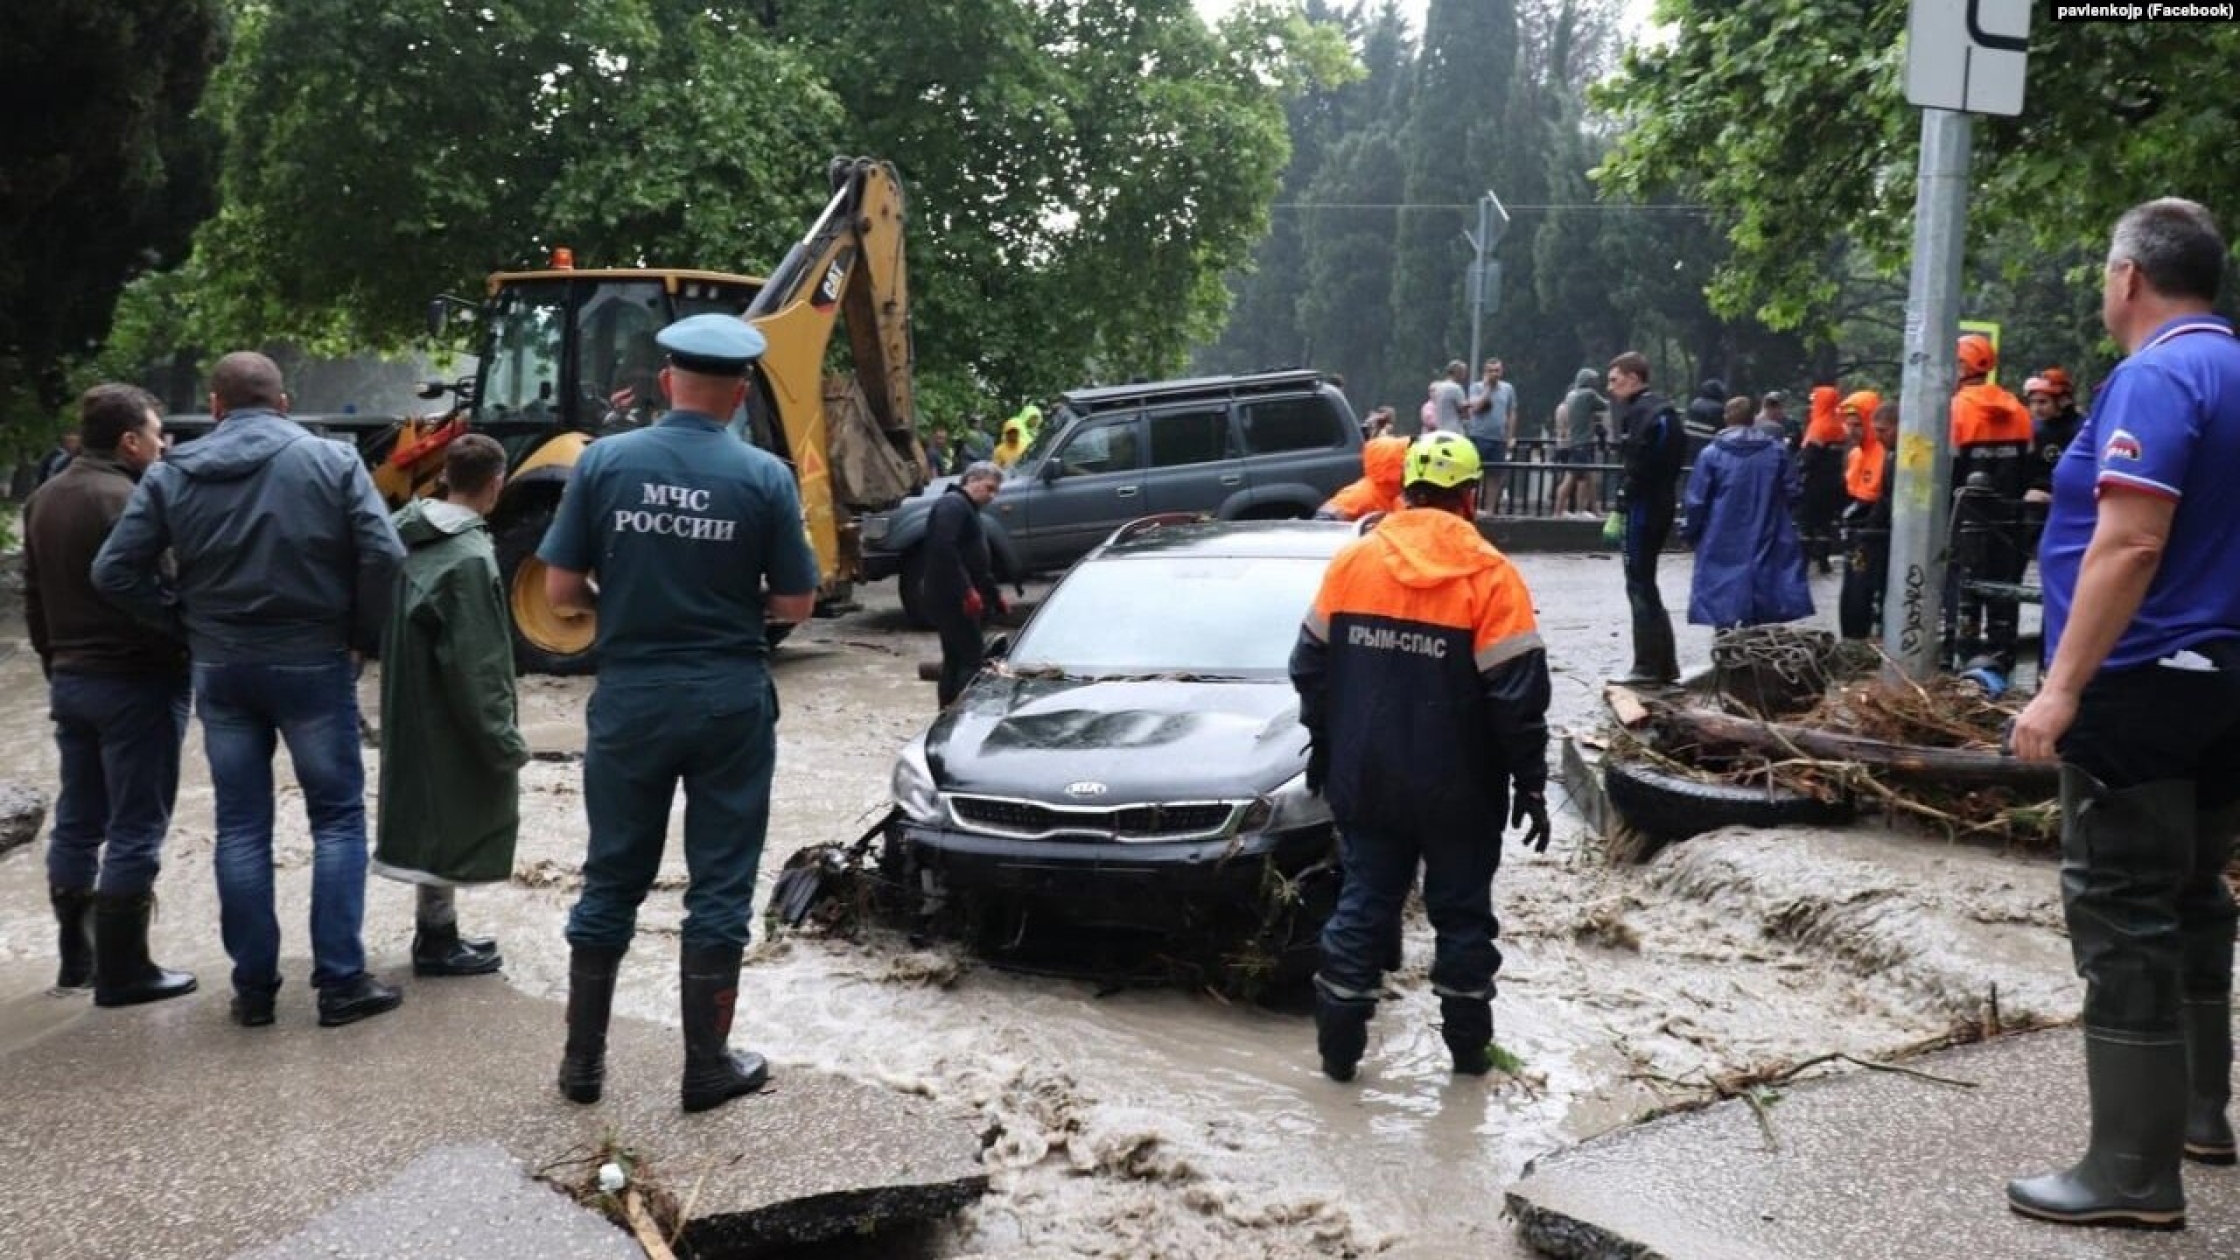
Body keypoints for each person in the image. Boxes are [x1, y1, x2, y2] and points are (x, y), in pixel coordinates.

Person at [2005, 197, 2240, 1231]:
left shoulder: (2158, 372)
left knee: (2120, 909)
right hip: (2224, 676)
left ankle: (2130, 1175)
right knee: (2194, 889)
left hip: (2141, 678)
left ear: (2126, 278)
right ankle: (2200, 1114)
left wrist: (2057, 688)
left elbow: (2129, 542)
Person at [539, 313, 819, 1114]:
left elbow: (560, 594)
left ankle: (582, 1068)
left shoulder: (604, 463)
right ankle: (705, 1068)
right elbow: (795, 600)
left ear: (667, 383)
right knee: (720, 883)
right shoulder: (765, 476)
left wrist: (628, 604)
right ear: (738, 393)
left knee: (611, 878)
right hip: (728, 695)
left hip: (630, 695)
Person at [92, 352, 407, 1029]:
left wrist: (182, 621)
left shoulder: (173, 472)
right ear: (285, 403)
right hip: (314, 661)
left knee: (240, 828)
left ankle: (255, 990)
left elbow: (114, 571)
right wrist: (360, 634)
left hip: (222, 667)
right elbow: (385, 554)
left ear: (214, 407)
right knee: (338, 820)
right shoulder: (332, 462)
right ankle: (340, 984)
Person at [1289, 432, 1550, 1083]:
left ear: (1405, 487)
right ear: (1472, 494)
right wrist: (1532, 784)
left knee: (1364, 902)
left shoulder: (1355, 563)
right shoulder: (1491, 576)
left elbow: (1308, 668)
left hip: (1367, 780)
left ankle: (1339, 1058)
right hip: (1462, 792)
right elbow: (1518, 700)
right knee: (1462, 917)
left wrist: (1324, 746)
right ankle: (1467, 1063)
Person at [23, 385, 195, 1007]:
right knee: (136, 824)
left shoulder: (44, 497)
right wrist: (183, 640)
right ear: (129, 440)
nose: (163, 444)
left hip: (71, 678)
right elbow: (165, 582)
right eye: (156, 434)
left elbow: (33, 600)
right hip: (136, 679)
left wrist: (55, 664)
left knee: (78, 819)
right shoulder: (131, 497)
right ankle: (127, 972)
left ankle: (78, 961)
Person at [373, 434, 528, 978]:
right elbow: (478, 660)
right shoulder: (469, 556)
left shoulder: (401, 533)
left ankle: (437, 933)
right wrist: (503, 738)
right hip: (448, 711)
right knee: (455, 817)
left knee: (428, 819)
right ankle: (436, 943)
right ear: (496, 483)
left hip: (405, 701)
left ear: (443, 476)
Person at [1680, 388, 1811, 629]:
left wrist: (1690, 531)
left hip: (1720, 532)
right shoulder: (1776, 451)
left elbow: (1696, 500)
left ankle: (1725, 639)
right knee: (1763, 584)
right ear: (1754, 419)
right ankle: (1756, 638)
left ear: (1726, 419)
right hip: (1767, 527)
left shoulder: (1712, 454)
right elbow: (1793, 490)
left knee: (1722, 588)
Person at [1948, 333, 2035, 677]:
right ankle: (2003, 661)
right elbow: (2026, 468)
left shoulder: (1955, 410)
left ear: (1961, 365)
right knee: (2005, 595)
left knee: (1964, 596)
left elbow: (1950, 470)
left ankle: (1964, 665)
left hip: (1966, 519)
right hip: (2010, 518)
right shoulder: (2018, 409)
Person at [1605, 352, 1686, 685]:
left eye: (1615, 380)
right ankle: (1664, 664)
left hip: (1645, 506)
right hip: (1660, 501)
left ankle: (1648, 666)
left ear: (1634, 378)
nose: (1610, 388)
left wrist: (1625, 496)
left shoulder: (1644, 413)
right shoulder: (1662, 412)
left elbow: (1641, 463)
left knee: (1639, 582)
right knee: (1645, 582)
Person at [924, 461, 1009, 708]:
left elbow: (975, 561)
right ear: (971, 481)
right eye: (989, 488)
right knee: (971, 658)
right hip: (951, 597)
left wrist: (993, 594)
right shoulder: (952, 504)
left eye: (996, 492)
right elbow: (944, 549)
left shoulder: (968, 509)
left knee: (954, 656)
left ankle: (948, 709)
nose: (992, 496)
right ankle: (963, 710)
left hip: (958, 594)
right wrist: (966, 591)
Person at [1838, 398, 1896, 640]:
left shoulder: (1886, 456)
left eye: (1858, 425)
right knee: (1853, 589)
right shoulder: (1855, 455)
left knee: (1869, 589)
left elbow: (1883, 498)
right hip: (1860, 529)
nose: (1852, 431)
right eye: (1848, 424)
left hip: (1877, 533)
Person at [2022, 368, 2086, 558]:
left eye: (2042, 402)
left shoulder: (2082, 430)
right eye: (2032, 402)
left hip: (2069, 504)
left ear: (2063, 401)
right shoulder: (2033, 428)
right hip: (2035, 503)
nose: (2036, 408)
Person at [1796, 386, 1848, 574]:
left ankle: (1803, 560)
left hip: (1815, 482)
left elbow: (1809, 457)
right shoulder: (1840, 426)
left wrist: (1797, 468)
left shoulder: (1819, 426)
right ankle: (1824, 559)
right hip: (1834, 482)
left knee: (1807, 522)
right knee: (1825, 523)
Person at [1316, 435, 1408, 523]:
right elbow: (1323, 521)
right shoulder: (1361, 494)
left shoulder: (1395, 494)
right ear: (1392, 466)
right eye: (1406, 461)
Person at [1553, 368, 1607, 517]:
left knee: (1589, 478)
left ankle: (1594, 510)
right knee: (1570, 479)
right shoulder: (1589, 394)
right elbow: (1604, 405)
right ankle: (1558, 512)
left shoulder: (1571, 395)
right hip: (1583, 443)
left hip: (1575, 441)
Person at [1466, 359, 1517, 509]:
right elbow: (1475, 408)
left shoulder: (1508, 388)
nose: (1494, 374)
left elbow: (1512, 412)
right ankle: (1472, 508)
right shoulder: (1476, 387)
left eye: (1497, 370)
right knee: (1474, 475)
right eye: (1491, 371)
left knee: (1495, 476)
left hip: (1499, 439)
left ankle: (1490, 510)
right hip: (1479, 436)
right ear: (1485, 372)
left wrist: (1510, 436)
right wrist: (1488, 388)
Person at [1684, 378, 1729, 464]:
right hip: (1707, 451)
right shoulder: (1718, 409)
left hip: (1688, 449)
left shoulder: (1694, 403)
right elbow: (1724, 433)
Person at [1427, 360, 1469, 436]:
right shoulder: (1456, 388)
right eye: (1463, 372)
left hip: (1440, 430)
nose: (1464, 376)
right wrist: (1471, 403)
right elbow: (1464, 412)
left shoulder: (1439, 387)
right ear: (1457, 372)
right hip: (1454, 431)